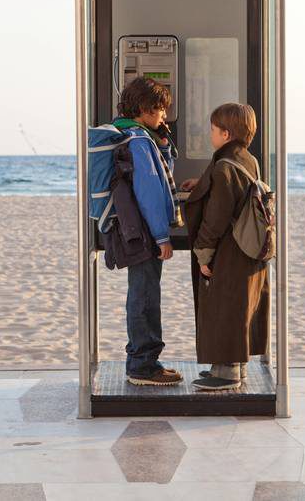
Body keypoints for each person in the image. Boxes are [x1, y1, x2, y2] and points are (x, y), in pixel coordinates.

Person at [180, 103, 270, 390]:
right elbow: (232, 190)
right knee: (239, 307)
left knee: (224, 306)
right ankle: (233, 366)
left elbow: (216, 217)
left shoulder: (223, 166)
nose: (210, 135)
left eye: (213, 130)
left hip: (231, 250)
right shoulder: (248, 159)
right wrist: (202, 183)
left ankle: (228, 372)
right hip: (250, 248)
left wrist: (203, 253)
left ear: (226, 133)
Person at [112, 77, 183, 386]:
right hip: (144, 231)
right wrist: (162, 237)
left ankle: (144, 360)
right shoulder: (139, 141)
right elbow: (150, 192)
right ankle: (142, 365)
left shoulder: (132, 133)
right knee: (144, 297)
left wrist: (164, 145)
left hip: (135, 228)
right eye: (160, 110)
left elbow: (159, 173)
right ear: (144, 108)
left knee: (143, 293)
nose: (164, 116)